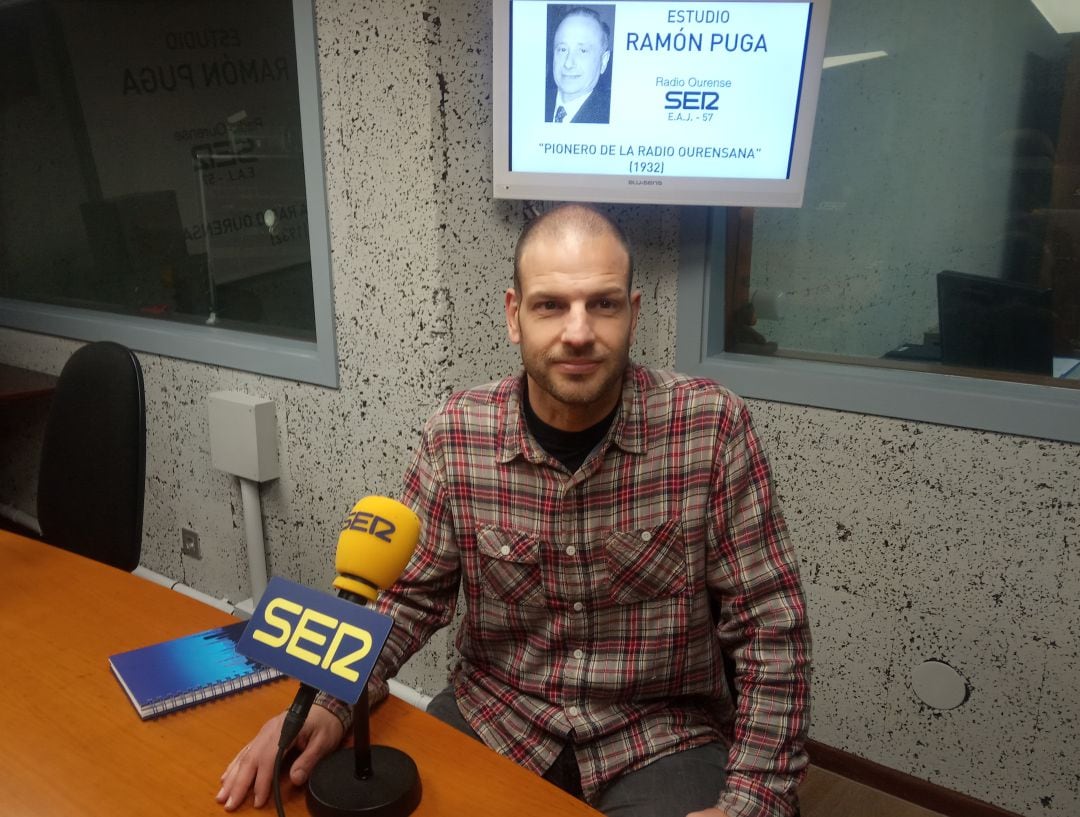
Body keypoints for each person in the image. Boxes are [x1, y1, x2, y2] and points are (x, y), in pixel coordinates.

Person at [217, 204, 811, 817]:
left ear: (634, 315)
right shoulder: (457, 433)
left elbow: (773, 630)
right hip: (498, 715)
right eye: (550, 305)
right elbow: (407, 598)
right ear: (514, 315)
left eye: (603, 304)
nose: (578, 331)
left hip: (658, 738)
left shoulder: (711, 427)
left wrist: (753, 802)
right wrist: (326, 704)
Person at [545, 7, 612, 124]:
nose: (568, 63)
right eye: (562, 49)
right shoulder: (530, 103)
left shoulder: (611, 116)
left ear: (604, 61)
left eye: (583, 51)